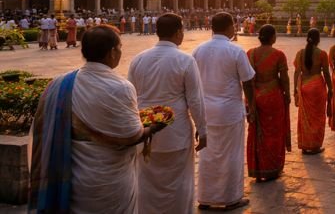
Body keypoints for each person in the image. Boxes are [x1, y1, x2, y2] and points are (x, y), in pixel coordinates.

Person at [30, 25, 163, 213]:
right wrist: (154, 127)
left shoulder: (60, 83)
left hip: (75, 176)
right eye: (120, 47)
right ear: (112, 52)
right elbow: (132, 135)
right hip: (110, 180)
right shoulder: (121, 87)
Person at [128, 13, 207, 213]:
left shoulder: (138, 60)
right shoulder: (185, 60)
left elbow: (131, 99)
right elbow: (195, 100)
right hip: (176, 131)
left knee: (147, 183)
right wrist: (202, 130)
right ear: (179, 31)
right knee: (179, 184)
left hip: (145, 132)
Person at [192, 12, 255, 210]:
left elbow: (193, 85)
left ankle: (206, 197)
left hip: (206, 111)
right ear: (229, 27)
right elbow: (248, 81)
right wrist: (251, 106)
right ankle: (230, 198)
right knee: (231, 155)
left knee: (208, 155)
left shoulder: (198, 50)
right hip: (229, 110)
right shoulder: (235, 51)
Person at [246, 24, 291, 181]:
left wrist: (249, 101)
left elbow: (247, 79)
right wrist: (287, 94)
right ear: (272, 37)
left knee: (256, 131)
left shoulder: (250, 53)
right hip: (273, 97)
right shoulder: (278, 55)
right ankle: (272, 166)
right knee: (274, 132)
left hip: (255, 97)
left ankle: (258, 168)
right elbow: (284, 78)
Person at [293, 29, 332, 154]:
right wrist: (331, 88)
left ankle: (305, 144)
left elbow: (296, 72)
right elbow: (326, 73)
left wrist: (295, 88)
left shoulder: (300, 53)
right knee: (317, 117)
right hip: (317, 87)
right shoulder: (321, 54)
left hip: (304, 86)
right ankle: (314, 145)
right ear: (318, 39)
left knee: (304, 117)